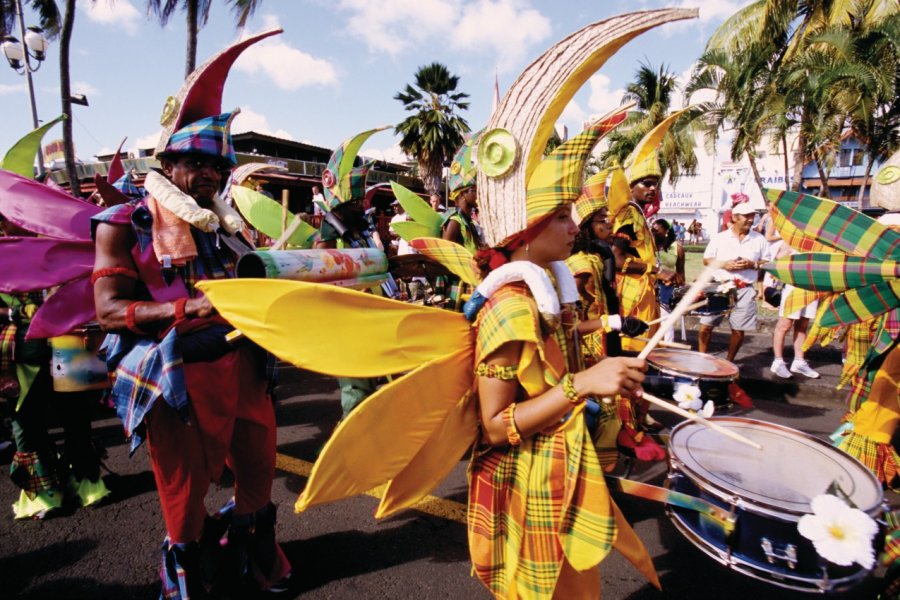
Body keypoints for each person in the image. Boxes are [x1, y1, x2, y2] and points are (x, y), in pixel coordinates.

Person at [91, 32, 290, 598]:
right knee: (184, 494)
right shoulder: (122, 222)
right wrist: (190, 305)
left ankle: (252, 554)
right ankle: (192, 577)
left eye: (218, 165)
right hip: (176, 375)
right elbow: (107, 311)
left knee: (257, 474)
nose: (210, 173)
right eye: (197, 162)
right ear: (169, 162)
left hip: (246, 364)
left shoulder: (228, 226)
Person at [698, 201, 767, 362]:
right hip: (720, 287)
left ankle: (730, 362)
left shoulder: (759, 239)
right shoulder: (720, 238)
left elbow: (767, 262)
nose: (750, 219)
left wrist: (752, 264)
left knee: (738, 329)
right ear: (735, 217)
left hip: (745, 289)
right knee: (706, 325)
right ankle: (701, 359)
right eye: (747, 216)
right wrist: (724, 264)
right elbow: (707, 260)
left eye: (753, 216)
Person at [652, 218, 685, 343]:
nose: (654, 233)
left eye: (657, 231)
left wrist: (679, 290)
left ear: (666, 231)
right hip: (649, 286)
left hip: (667, 288)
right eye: (652, 231)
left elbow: (681, 273)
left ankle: (667, 347)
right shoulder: (649, 245)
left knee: (666, 320)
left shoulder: (677, 247)